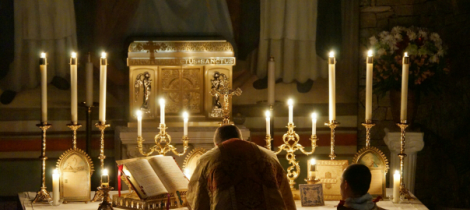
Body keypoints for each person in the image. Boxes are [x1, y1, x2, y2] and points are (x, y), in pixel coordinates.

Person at [186, 125, 296, 210]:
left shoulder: (208, 159)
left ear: (216, 144)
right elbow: (286, 197)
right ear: (241, 138)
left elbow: (197, 198)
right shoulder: (269, 156)